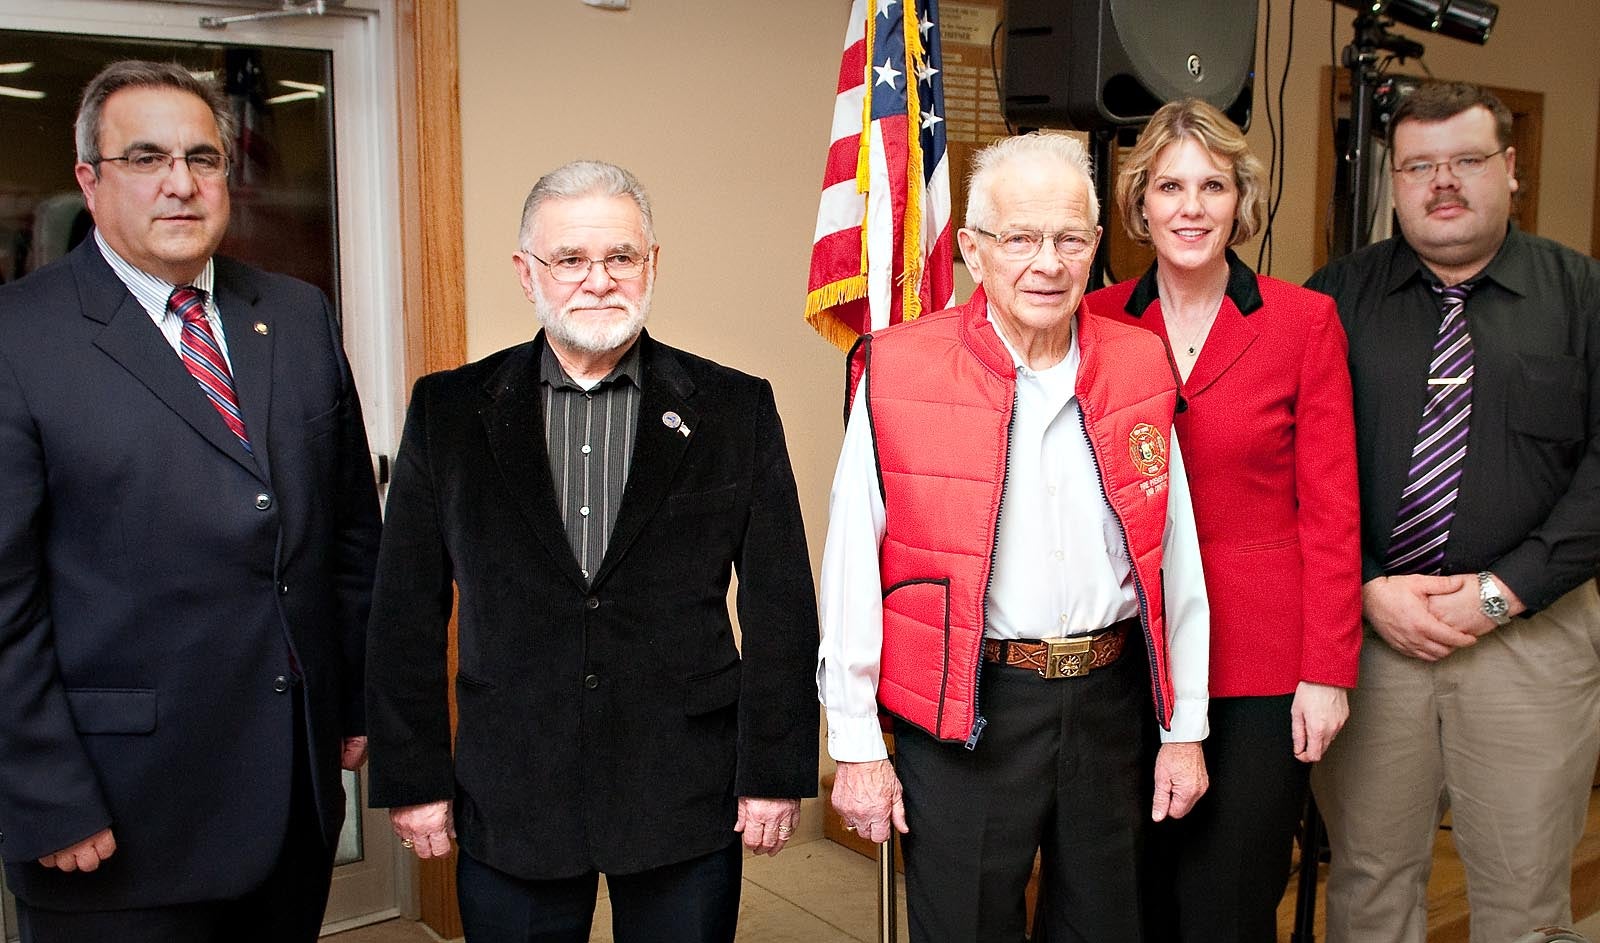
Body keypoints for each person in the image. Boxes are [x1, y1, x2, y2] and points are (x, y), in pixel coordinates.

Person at [364, 160, 820, 943]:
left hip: (681, 782)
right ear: (526, 273)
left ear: (652, 265)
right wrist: (414, 777)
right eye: (570, 259)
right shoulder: (449, 411)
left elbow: (781, 605)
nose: (598, 280)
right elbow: (405, 609)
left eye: (621, 257)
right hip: (513, 784)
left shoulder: (733, 405)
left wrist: (773, 772)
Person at [0, 60, 381, 942]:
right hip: (113, 818)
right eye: (146, 157)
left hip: (290, 799)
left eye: (203, 158)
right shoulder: (20, 338)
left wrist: (353, 699)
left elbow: (350, 533)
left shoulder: (292, 313)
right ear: (89, 181)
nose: (181, 183)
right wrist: (44, 791)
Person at [819, 131, 1211, 941]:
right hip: (972, 709)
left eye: (1070, 238)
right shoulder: (897, 370)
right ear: (971, 249)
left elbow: (1176, 558)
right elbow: (853, 563)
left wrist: (1186, 729)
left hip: (1110, 704)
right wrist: (855, 741)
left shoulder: (1141, 363)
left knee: (1106, 926)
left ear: (1097, 245)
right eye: (1020, 238)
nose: (1048, 262)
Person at [1307, 81, 1600, 943]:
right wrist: (1362, 586)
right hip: (1368, 642)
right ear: (1393, 181)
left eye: (1467, 161)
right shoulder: (1334, 299)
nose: (1443, 182)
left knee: (1524, 892)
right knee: (1367, 880)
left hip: (1531, 640)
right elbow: (1291, 468)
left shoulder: (1582, 295)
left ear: (1509, 169)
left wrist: (1502, 591)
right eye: (1419, 166)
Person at [1082, 98, 1362, 942]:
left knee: (1229, 897)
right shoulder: (1095, 321)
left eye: (1213, 185)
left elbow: (1334, 509)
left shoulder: (1302, 321)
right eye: (1170, 186)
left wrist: (1327, 669)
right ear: (1140, 203)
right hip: (1126, 653)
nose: (1191, 207)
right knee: (1129, 892)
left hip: (1261, 663)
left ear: (1242, 199)